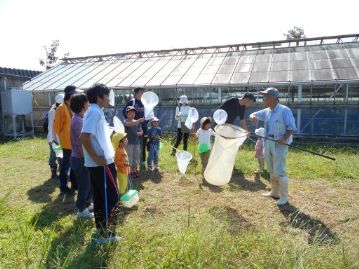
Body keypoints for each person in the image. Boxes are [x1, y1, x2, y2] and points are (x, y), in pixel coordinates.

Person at [80, 84, 119, 243]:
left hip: (101, 163)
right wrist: (96, 158)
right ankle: (106, 234)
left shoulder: (95, 111)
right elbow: (84, 137)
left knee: (101, 197)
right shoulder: (95, 112)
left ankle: (101, 229)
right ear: (99, 97)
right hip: (101, 164)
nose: (108, 99)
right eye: (106, 96)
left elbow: (94, 136)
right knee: (111, 197)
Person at [249, 88, 296, 206]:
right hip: (268, 141)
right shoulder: (267, 111)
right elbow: (253, 114)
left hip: (280, 143)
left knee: (280, 169)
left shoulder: (284, 110)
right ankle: (274, 192)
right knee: (271, 168)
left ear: (273, 98)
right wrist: (253, 117)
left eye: (265, 96)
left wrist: (284, 138)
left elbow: (291, 127)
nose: (263, 99)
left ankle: (284, 197)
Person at [54, 85, 82, 194]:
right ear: (70, 94)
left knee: (74, 164)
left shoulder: (73, 106)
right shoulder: (61, 107)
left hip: (74, 142)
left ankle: (75, 185)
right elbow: (57, 126)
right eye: (75, 93)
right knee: (66, 166)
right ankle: (63, 187)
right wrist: (63, 135)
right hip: (67, 142)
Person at [70, 93, 93, 219]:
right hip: (80, 158)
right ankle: (81, 209)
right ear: (83, 104)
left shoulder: (79, 118)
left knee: (88, 183)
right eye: (87, 102)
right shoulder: (78, 121)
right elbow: (81, 144)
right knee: (84, 185)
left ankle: (87, 205)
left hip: (80, 157)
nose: (89, 104)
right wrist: (87, 159)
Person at [123, 87, 148, 168]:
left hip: (143, 127)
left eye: (143, 93)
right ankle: (131, 164)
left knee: (142, 145)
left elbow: (148, 113)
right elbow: (124, 112)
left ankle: (142, 162)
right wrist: (130, 122)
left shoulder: (145, 102)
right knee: (132, 145)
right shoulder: (132, 102)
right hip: (132, 127)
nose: (143, 94)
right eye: (141, 92)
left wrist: (145, 122)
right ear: (136, 93)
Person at [47, 93, 64, 179]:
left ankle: (62, 173)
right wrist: (51, 139)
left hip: (58, 138)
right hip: (54, 139)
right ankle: (54, 173)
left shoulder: (59, 109)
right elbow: (50, 126)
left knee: (60, 155)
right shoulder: (53, 111)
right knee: (56, 155)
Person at [124, 106, 144, 178]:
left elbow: (141, 131)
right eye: (130, 112)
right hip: (128, 144)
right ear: (127, 114)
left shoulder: (137, 122)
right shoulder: (126, 121)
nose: (132, 114)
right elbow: (129, 124)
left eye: (133, 112)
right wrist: (138, 120)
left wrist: (139, 133)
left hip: (136, 143)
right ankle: (131, 171)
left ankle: (135, 170)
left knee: (136, 157)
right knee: (130, 158)